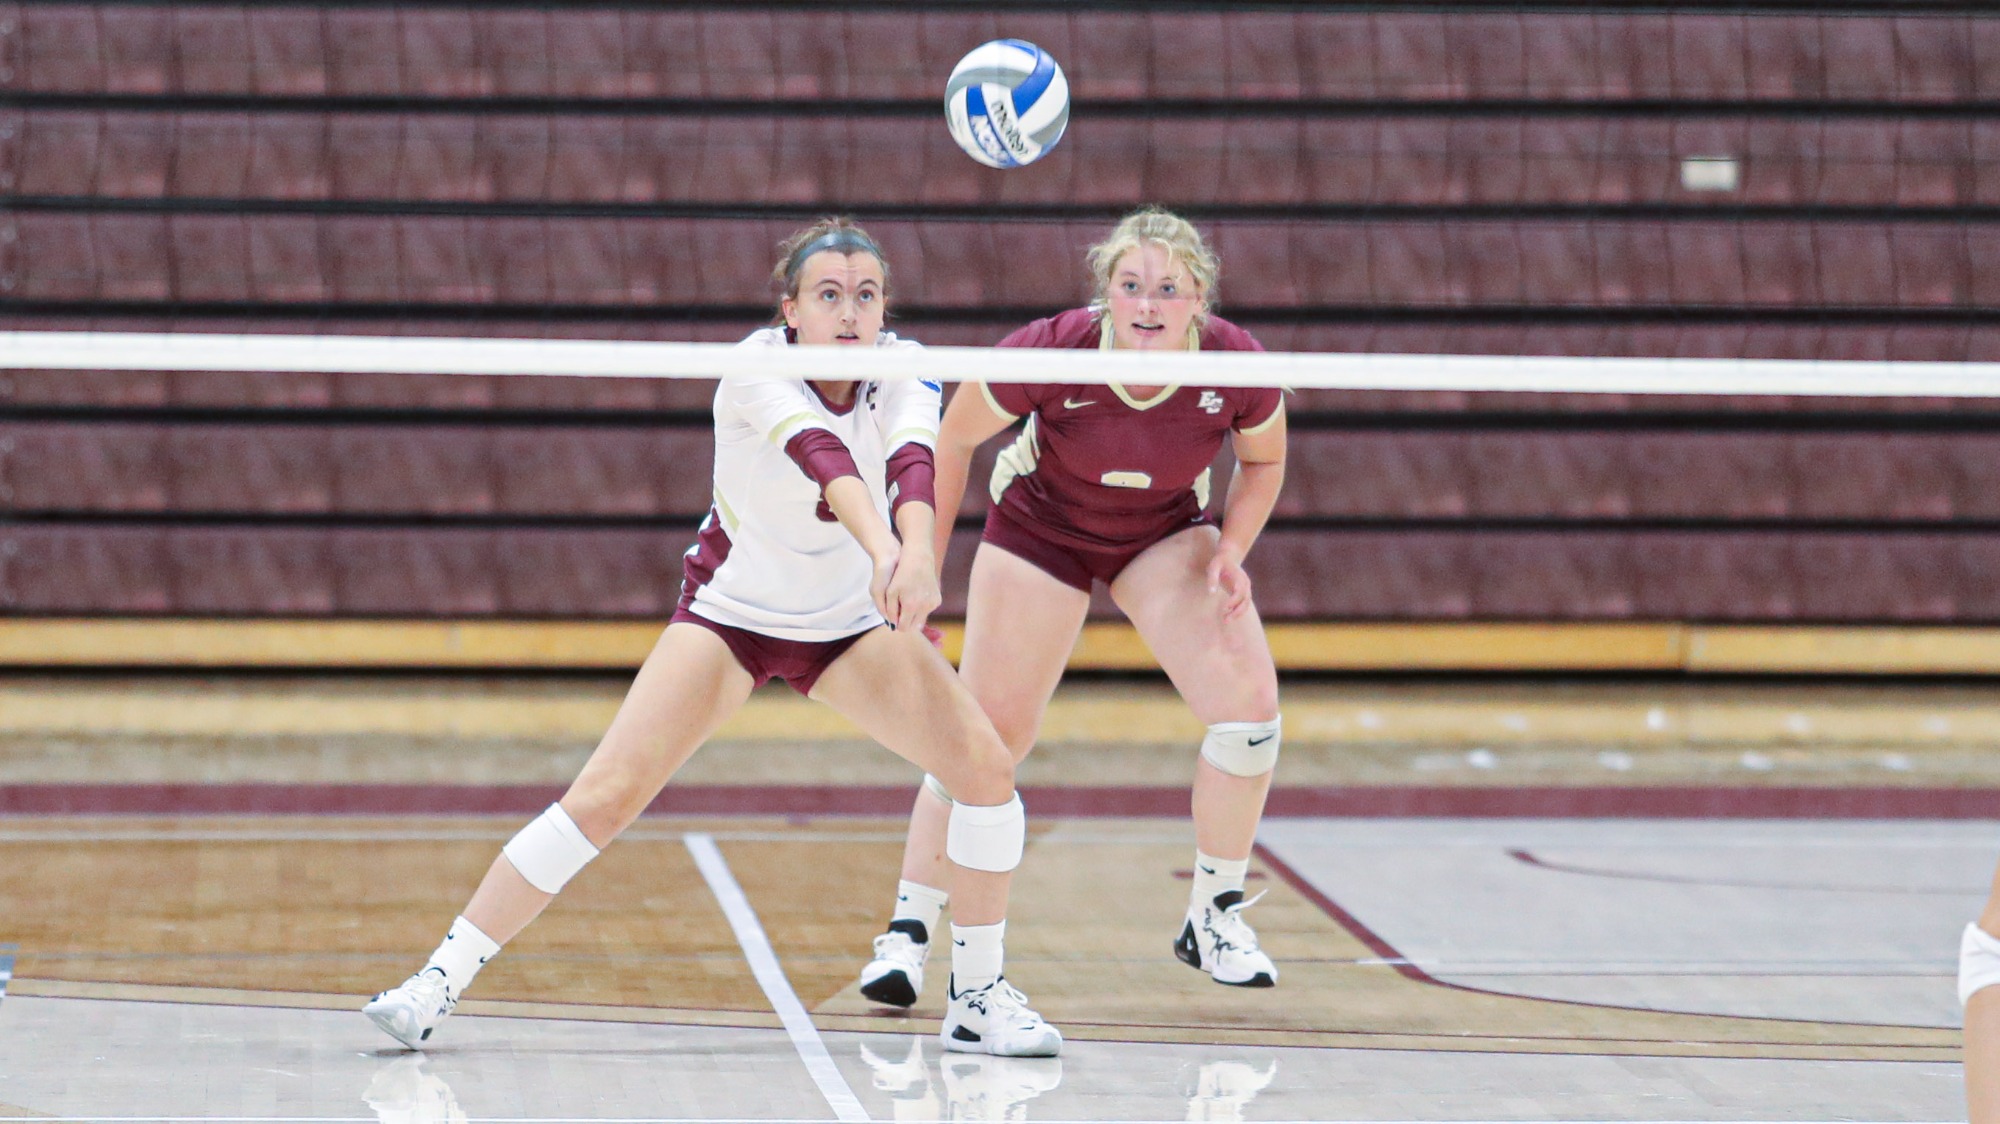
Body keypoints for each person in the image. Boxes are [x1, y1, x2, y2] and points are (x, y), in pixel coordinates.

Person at [363, 218, 1061, 1059]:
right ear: (790, 309)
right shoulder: (755, 370)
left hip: (846, 627)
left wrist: (916, 554)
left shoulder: (906, 368)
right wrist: (889, 554)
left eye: (866, 296)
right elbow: (827, 462)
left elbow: (914, 465)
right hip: (732, 615)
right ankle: (436, 981)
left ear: (885, 310)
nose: (849, 314)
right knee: (605, 795)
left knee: (985, 770)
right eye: (829, 295)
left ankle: (978, 996)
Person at [856, 207, 1287, 1007]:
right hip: (1041, 530)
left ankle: (1214, 914)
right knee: (986, 741)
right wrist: (923, 561)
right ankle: (909, 934)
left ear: (1200, 300)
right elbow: (953, 440)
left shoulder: (1234, 363)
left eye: (1168, 288)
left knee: (1250, 715)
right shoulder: (1054, 350)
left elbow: (1263, 461)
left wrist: (1230, 550)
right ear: (1105, 295)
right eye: (1131, 286)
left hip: (1162, 534)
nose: (1149, 304)